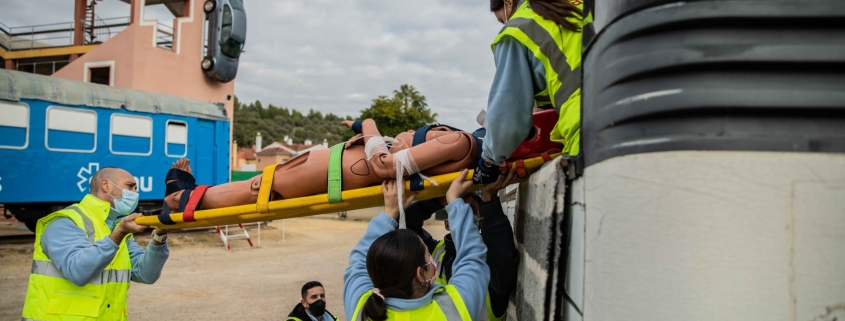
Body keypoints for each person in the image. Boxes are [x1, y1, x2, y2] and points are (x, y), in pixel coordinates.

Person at [22, 166, 170, 321]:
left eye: (136, 188)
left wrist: (159, 237)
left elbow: (145, 274)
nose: (135, 193)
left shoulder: (114, 226)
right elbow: (77, 271)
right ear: (106, 185)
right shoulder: (65, 222)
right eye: (130, 186)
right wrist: (118, 234)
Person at [343, 170, 490, 320]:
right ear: (421, 275)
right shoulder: (451, 308)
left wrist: (390, 212)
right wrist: (454, 201)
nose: (431, 258)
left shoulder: (362, 309)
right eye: (428, 255)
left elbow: (359, 262)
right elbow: (472, 258)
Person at [474, 0, 584, 185]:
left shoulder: (518, 30)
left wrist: (488, 161)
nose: (505, 24)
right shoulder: (577, 6)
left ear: (509, 3)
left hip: (588, 127)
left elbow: (508, 115)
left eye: (502, 19)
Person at [406, 169, 520, 320]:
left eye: (470, 210)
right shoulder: (434, 252)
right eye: (459, 210)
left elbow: (504, 257)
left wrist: (489, 199)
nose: (464, 215)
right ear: (447, 224)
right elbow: (407, 224)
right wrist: (442, 200)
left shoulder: (491, 262)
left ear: (481, 221)